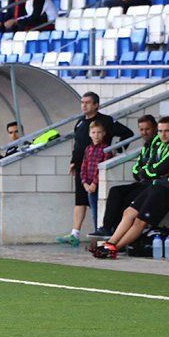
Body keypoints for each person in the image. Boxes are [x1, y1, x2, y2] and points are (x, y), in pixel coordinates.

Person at [94, 117, 169, 259]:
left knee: (140, 221)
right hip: (156, 186)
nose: (163, 134)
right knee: (128, 212)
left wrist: (152, 172)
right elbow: (149, 168)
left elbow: (162, 168)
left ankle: (113, 248)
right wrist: (152, 172)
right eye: (160, 131)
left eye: (167, 131)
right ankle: (110, 243)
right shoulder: (158, 144)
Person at [57, 92, 132, 246]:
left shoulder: (105, 121)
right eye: (82, 102)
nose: (84, 105)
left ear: (96, 105)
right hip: (82, 168)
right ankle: (75, 234)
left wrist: (116, 151)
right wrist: (73, 161)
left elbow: (127, 133)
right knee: (80, 200)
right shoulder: (80, 122)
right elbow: (78, 144)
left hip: (98, 169)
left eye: (88, 102)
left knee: (96, 202)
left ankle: (102, 230)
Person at [92, 115, 158, 237]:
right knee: (116, 191)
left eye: (147, 129)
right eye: (141, 129)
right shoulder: (146, 146)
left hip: (154, 185)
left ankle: (117, 233)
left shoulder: (158, 144)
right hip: (143, 183)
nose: (144, 132)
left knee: (127, 199)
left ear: (155, 128)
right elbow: (136, 170)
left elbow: (153, 168)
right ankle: (107, 228)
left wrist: (143, 172)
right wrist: (142, 172)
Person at [80, 121, 111, 231]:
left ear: (104, 133)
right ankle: (96, 231)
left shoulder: (106, 149)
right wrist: (84, 182)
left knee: (101, 210)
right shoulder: (88, 149)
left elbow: (102, 169)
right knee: (94, 211)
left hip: (98, 185)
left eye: (99, 132)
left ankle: (101, 230)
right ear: (89, 134)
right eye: (93, 132)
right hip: (89, 186)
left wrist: (94, 183)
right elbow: (84, 166)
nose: (96, 135)